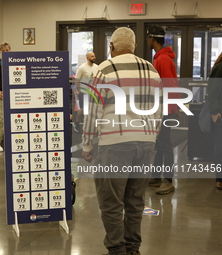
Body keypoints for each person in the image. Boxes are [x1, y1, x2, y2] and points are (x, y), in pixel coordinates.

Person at [82, 27, 162, 255]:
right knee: (135, 202)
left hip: (114, 145)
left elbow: (93, 111)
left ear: (111, 47)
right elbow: (159, 111)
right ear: (135, 46)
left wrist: (87, 145)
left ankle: (117, 250)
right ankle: (133, 249)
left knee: (111, 203)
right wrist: (151, 137)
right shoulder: (151, 69)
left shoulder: (104, 69)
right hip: (145, 145)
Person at [147, 25, 180, 195]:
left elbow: (168, 85)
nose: (147, 41)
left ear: (153, 39)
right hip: (162, 107)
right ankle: (156, 176)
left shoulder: (163, 59)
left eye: (148, 38)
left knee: (165, 144)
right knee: (159, 143)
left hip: (164, 108)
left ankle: (168, 180)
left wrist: (166, 108)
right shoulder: (160, 57)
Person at [207, 52, 222, 190]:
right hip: (220, 114)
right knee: (220, 148)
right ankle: (220, 178)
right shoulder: (220, 67)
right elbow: (212, 91)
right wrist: (215, 111)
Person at [73, 52, 98, 133]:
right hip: (84, 91)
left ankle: (90, 126)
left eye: (94, 56)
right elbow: (77, 79)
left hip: (93, 92)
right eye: (92, 56)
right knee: (83, 109)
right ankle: (76, 123)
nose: (94, 57)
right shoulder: (82, 68)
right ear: (87, 58)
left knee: (92, 109)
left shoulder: (97, 67)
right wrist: (79, 90)